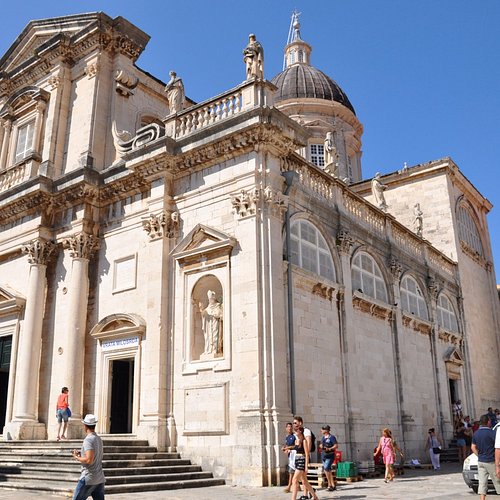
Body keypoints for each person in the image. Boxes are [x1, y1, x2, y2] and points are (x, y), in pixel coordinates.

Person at [72, 414, 105, 500]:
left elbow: (89, 460)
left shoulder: (88, 440)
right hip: (99, 477)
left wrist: (76, 457)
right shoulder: (98, 439)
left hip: (88, 478)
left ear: (85, 426)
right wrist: (81, 455)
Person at [471, 414, 500, 499]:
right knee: (497, 482)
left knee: (482, 483)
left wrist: (479, 455)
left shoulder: (476, 433)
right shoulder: (492, 433)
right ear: (488, 422)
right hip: (491, 461)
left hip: (481, 461)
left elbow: (473, 447)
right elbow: (497, 447)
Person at [290, 426, 319, 500]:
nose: (295, 431)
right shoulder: (296, 441)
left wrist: (306, 466)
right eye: (294, 430)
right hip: (297, 460)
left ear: (300, 431)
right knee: (305, 482)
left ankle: (293, 499)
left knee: (294, 480)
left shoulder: (304, 441)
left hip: (302, 461)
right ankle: (315, 496)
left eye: (296, 430)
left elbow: (306, 454)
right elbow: (295, 451)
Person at [198, 290, 223, 356]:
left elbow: (220, 314)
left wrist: (214, 314)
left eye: (211, 299)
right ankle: (208, 350)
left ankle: (215, 350)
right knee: (208, 337)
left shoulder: (218, 306)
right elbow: (204, 314)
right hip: (209, 325)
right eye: (209, 299)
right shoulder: (208, 308)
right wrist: (201, 311)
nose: (210, 300)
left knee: (215, 336)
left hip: (215, 323)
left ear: (214, 298)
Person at [319, 425, 337, 492]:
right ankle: (333, 484)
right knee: (328, 470)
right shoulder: (323, 437)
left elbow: (336, 445)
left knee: (326, 469)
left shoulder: (332, 437)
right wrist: (321, 446)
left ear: (326, 430)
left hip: (330, 456)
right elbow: (321, 444)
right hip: (324, 456)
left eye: (322, 429)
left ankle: (329, 485)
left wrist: (330, 448)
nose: (321, 431)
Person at [282, 422, 296, 493]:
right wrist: (285, 449)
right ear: (286, 428)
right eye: (288, 427)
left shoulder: (294, 436)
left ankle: (289, 486)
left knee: (291, 471)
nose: (289, 428)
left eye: (290, 427)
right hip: (290, 456)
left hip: (295, 456)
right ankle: (297, 487)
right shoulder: (287, 437)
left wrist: (288, 448)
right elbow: (287, 445)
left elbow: (296, 446)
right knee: (296, 473)